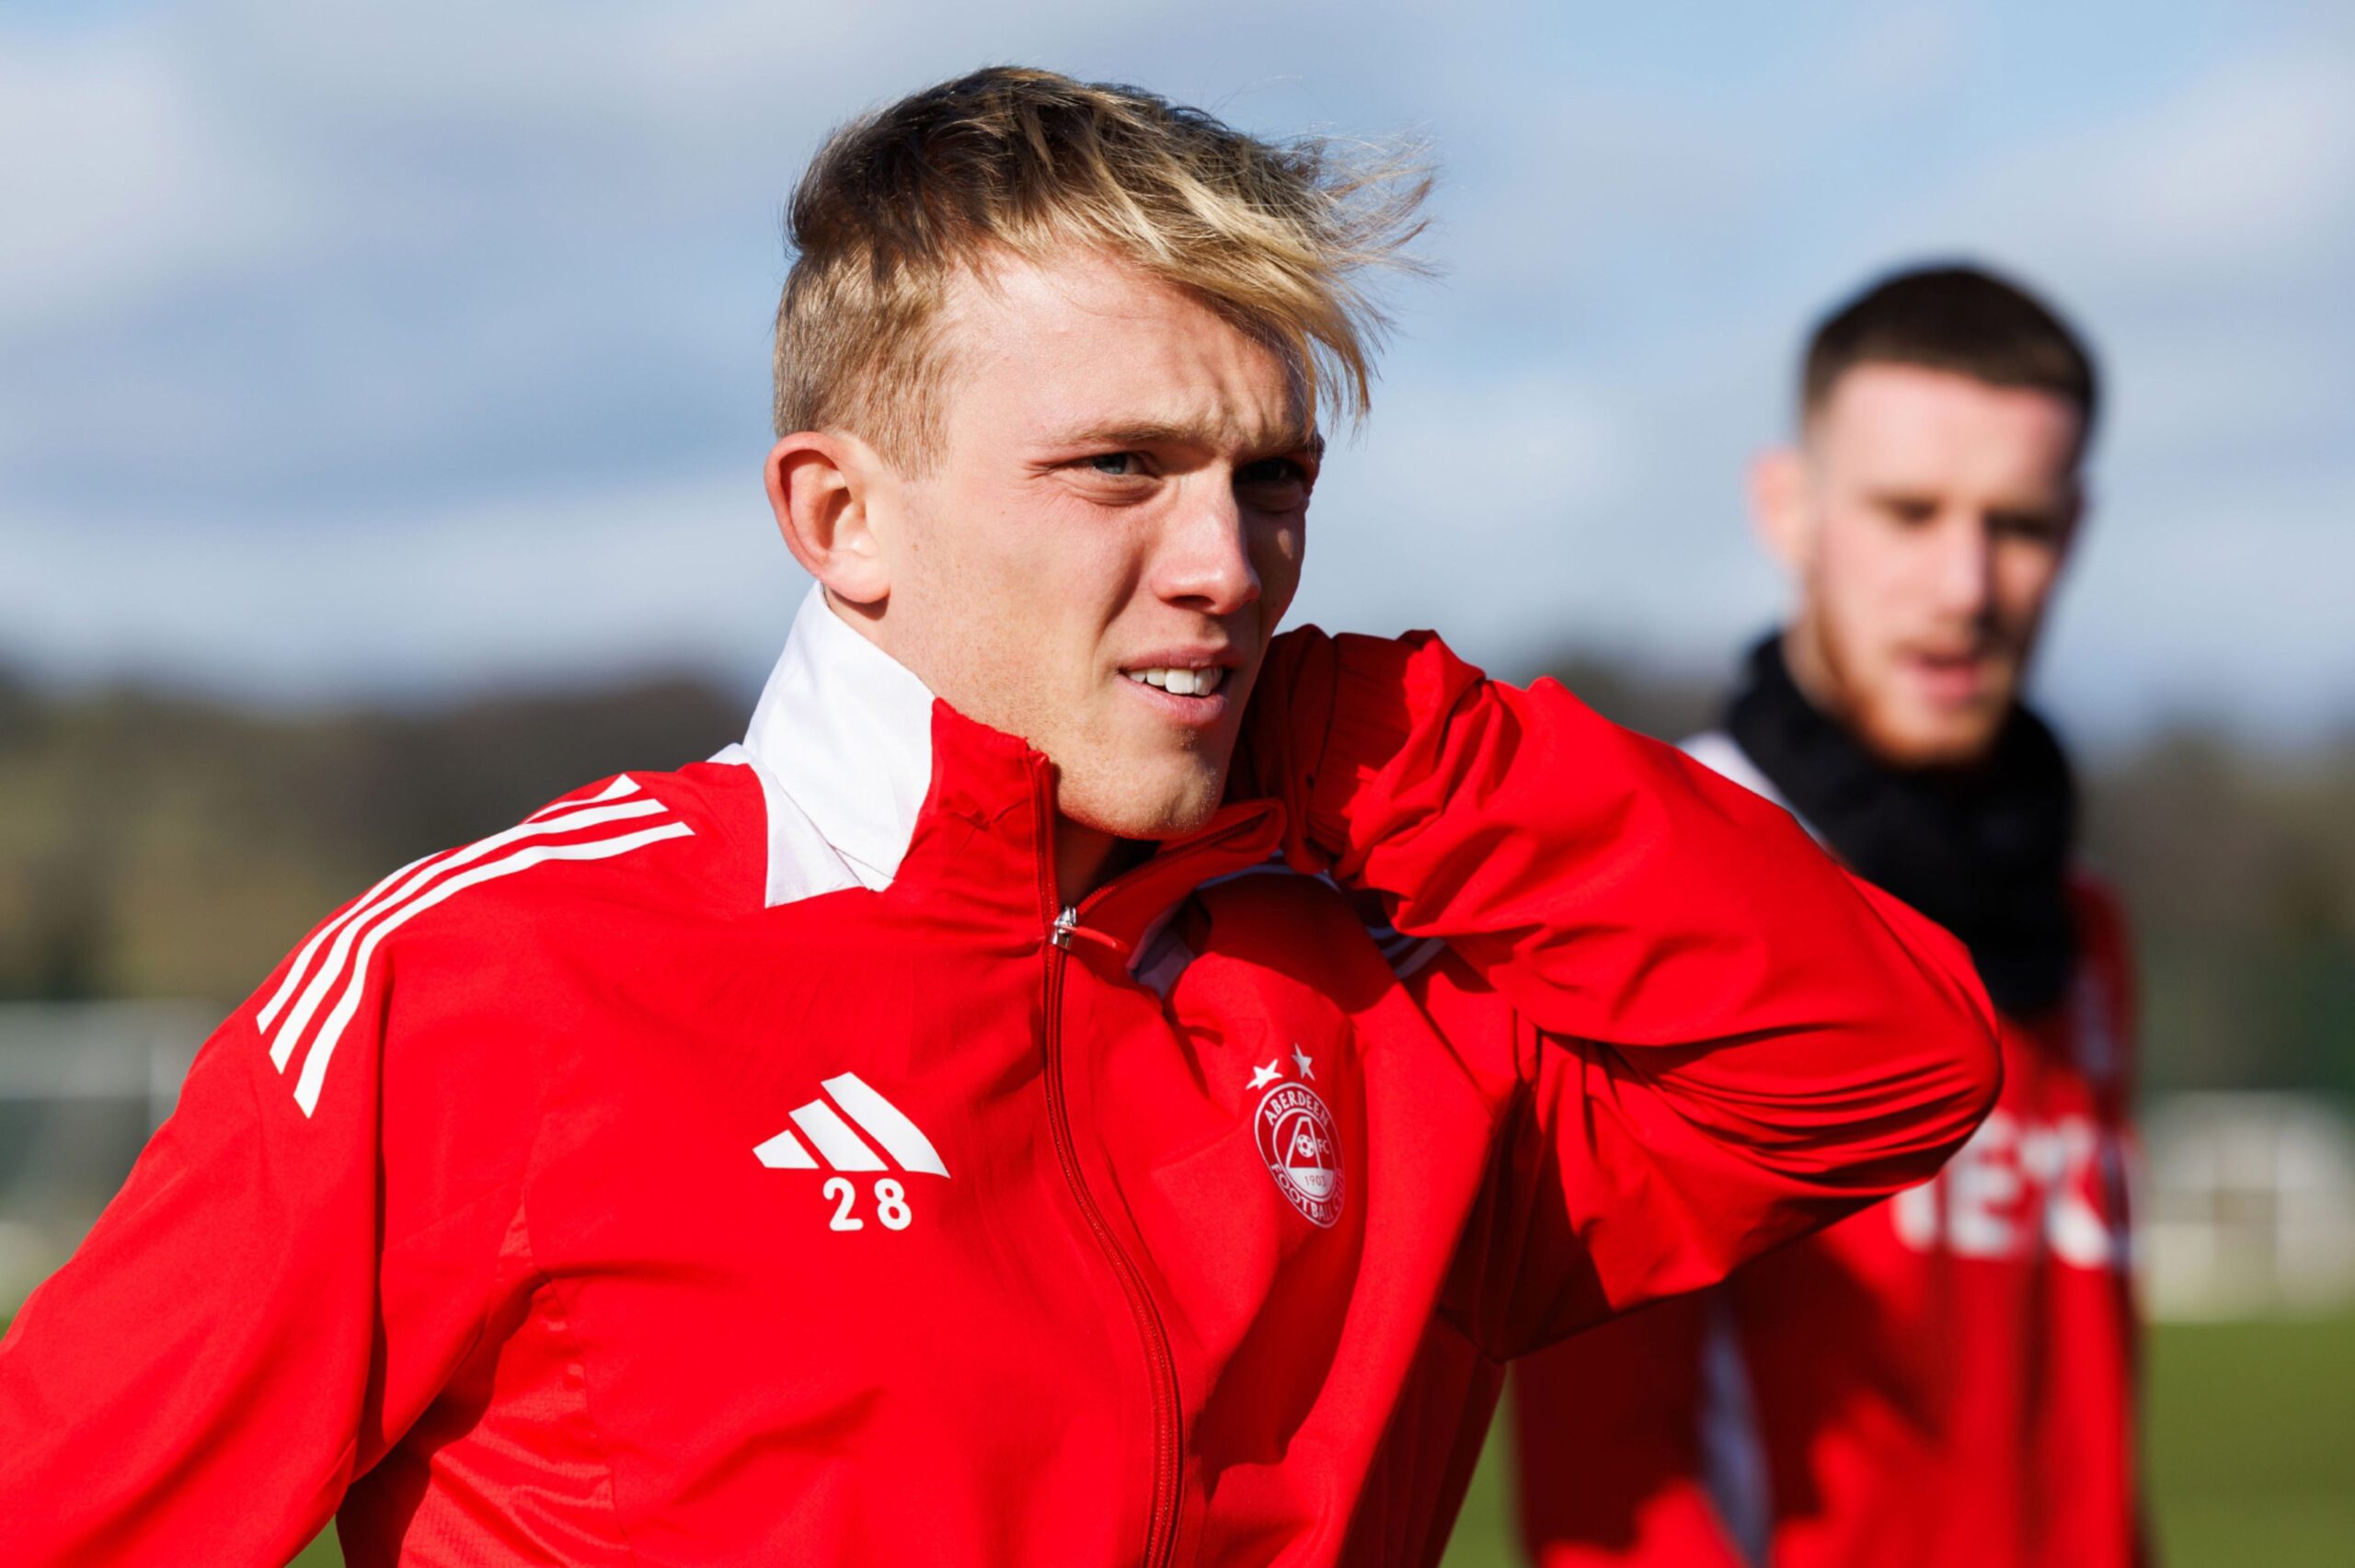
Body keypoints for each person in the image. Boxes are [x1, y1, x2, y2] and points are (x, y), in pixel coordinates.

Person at [0, 73, 1999, 1567]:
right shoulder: (490, 981)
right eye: (1117, 467)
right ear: (836, 517)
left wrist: (1390, 736)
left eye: (1270, 478)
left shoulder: (1389, 1008)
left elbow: (1882, 1068)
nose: (1226, 561)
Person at [1511, 265, 2141, 1568]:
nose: (1965, 582)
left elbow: (2082, 1438)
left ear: (2075, 532)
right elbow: (1610, 1473)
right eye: (1909, 511)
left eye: (2017, 524)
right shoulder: (1652, 890)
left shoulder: (2082, 927)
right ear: (1788, 509)